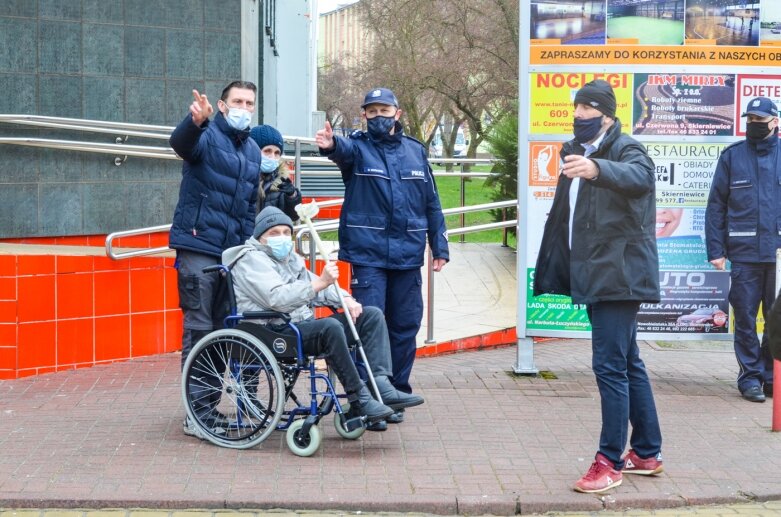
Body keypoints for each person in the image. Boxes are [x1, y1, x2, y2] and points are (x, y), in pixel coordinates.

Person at [533, 80, 664, 494]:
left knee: (610, 365)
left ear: (607, 114)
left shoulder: (625, 149)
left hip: (620, 276)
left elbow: (642, 176)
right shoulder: (577, 150)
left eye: (589, 109)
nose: (580, 115)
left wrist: (597, 170)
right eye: (577, 108)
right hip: (598, 272)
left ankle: (610, 460)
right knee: (628, 362)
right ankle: (646, 452)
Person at [315, 87, 449, 429]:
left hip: (407, 254)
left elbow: (431, 202)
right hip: (368, 254)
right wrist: (331, 145)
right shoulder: (357, 148)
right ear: (364, 116)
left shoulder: (416, 152)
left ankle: (396, 393)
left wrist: (440, 244)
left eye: (384, 111)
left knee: (405, 326)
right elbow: (340, 151)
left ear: (397, 114)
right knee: (368, 326)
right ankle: (369, 400)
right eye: (371, 112)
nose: (378, 117)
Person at [223, 206, 425, 427]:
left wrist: (346, 299)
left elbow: (319, 286)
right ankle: (360, 398)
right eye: (273, 233)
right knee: (329, 327)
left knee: (371, 316)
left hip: (299, 326)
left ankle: (381, 386)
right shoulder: (250, 260)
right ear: (259, 237)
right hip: (271, 330)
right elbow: (277, 298)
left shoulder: (289, 259)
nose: (281, 238)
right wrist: (320, 282)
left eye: (285, 232)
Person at [168, 81, 260, 436]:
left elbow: (248, 207)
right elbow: (181, 144)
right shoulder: (206, 135)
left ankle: (208, 407)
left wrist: (246, 246)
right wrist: (195, 122)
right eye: (237, 101)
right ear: (222, 106)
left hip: (231, 256)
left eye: (249, 102)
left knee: (224, 330)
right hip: (197, 247)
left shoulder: (251, 150)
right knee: (199, 329)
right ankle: (197, 413)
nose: (243, 107)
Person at [705, 96, 779, 403]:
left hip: (777, 255)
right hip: (745, 253)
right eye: (750, 121)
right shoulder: (732, 156)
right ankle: (749, 378)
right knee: (746, 319)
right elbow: (716, 206)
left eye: (760, 121)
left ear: (775, 122)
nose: (754, 126)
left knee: (777, 319)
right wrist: (715, 250)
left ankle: (771, 376)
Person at [249, 124, 302, 221]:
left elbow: (294, 216)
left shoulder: (281, 181)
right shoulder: (243, 178)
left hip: (271, 234)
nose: (272, 156)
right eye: (267, 151)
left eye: (277, 152)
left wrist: (292, 196)